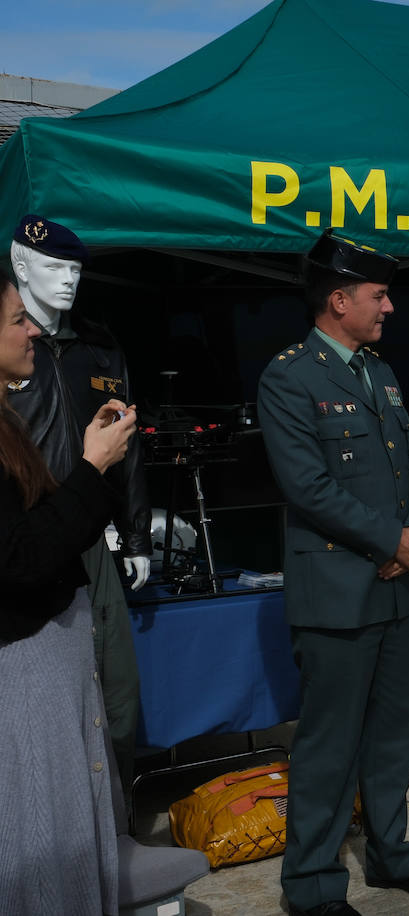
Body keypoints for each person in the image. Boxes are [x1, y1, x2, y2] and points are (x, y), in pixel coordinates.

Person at [258, 230, 409, 916]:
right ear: (338, 300)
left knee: (395, 734)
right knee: (330, 745)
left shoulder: (380, 372)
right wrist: (390, 539)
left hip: (396, 588)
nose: (389, 307)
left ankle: (391, 856)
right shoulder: (289, 375)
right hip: (337, 592)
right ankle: (310, 885)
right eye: (378, 295)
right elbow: (307, 487)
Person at [0, 270, 140, 915]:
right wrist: (91, 467)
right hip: (23, 668)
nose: (31, 327)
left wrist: (95, 462)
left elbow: (52, 524)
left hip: (46, 662)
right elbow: (23, 558)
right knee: (40, 829)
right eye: (14, 320)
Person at [8, 214, 151, 802]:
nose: (67, 279)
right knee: (47, 700)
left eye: (74, 268)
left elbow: (129, 443)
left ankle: (114, 830)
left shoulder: (98, 345)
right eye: (52, 266)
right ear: (20, 268)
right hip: (29, 539)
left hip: (93, 536)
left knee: (118, 697)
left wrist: (136, 534)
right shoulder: (10, 354)